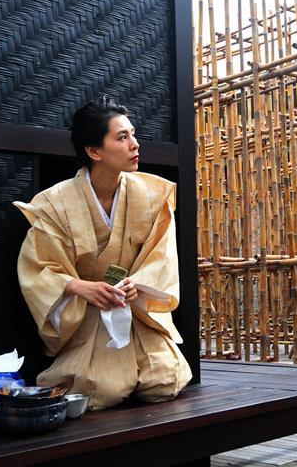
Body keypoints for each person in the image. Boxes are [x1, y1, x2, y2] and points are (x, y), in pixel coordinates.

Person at [14, 95, 191, 410]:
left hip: (132, 307)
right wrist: (80, 287)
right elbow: (38, 268)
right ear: (94, 151)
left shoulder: (152, 194)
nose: (135, 144)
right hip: (88, 312)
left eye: (133, 135)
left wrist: (139, 283)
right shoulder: (54, 203)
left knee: (164, 380)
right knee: (100, 388)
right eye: (122, 137)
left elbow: (161, 257)